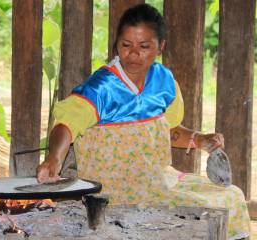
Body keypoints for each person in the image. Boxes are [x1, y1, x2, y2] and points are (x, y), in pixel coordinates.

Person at [36, 3, 250, 239]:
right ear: (116, 44)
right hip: (116, 191)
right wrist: (54, 158)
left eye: (144, 46)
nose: (134, 54)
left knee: (232, 196)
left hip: (158, 179)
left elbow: (166, 131)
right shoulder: (101, 87)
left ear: (161, 46)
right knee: (206, 210)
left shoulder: (163, 81)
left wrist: (200, 140)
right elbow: (66, 126)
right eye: (126, 45)